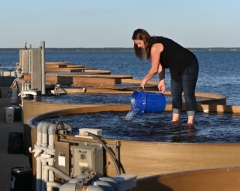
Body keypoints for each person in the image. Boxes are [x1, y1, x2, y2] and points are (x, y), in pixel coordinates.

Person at [132, 28, 199, 125]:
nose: (138, 46)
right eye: (136, 44)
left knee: (188, 95)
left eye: (139, 43)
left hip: (188, 64)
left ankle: (190, 123)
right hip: (175, 67)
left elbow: (154, 69)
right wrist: (161, 81)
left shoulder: (155, 46)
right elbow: (160, 65)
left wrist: (145, 79)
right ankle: (175, 120)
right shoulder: (152, 46)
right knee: (175, 94)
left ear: (144, 39)